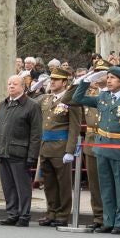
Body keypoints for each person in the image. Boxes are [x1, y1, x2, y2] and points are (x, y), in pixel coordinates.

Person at [71, 66, 120, 233]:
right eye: (107, 77)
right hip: (102, 148)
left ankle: (119, 223)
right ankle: (108, 221)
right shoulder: (102, 97)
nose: (109, 80)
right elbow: (77, 97)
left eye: (113, 78)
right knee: (106, 187)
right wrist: (86, 81)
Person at [0, 74, 42, 226]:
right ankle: (12, 213)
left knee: (22, 187)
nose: (11, 86)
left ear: (22, 87)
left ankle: (24, 215)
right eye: (9, 84)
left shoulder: (31, 105)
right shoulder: (2, 105)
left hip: (20, 152)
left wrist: (32, 156)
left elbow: (36, 134)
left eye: (15, 84)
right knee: (8, 186)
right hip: (4, 151)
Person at [36, 65, 79, 226]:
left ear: (64, 82)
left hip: (61, 147)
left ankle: (63, 214)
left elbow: (74, 127)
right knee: (49, 183)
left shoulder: (70, 100)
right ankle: (51, 212)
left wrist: (70, 150)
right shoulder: (47, 98)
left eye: (56, 80)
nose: (52, 82)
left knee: (63, 183)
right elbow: (30, 100)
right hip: (46, 146)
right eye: (51, 79)